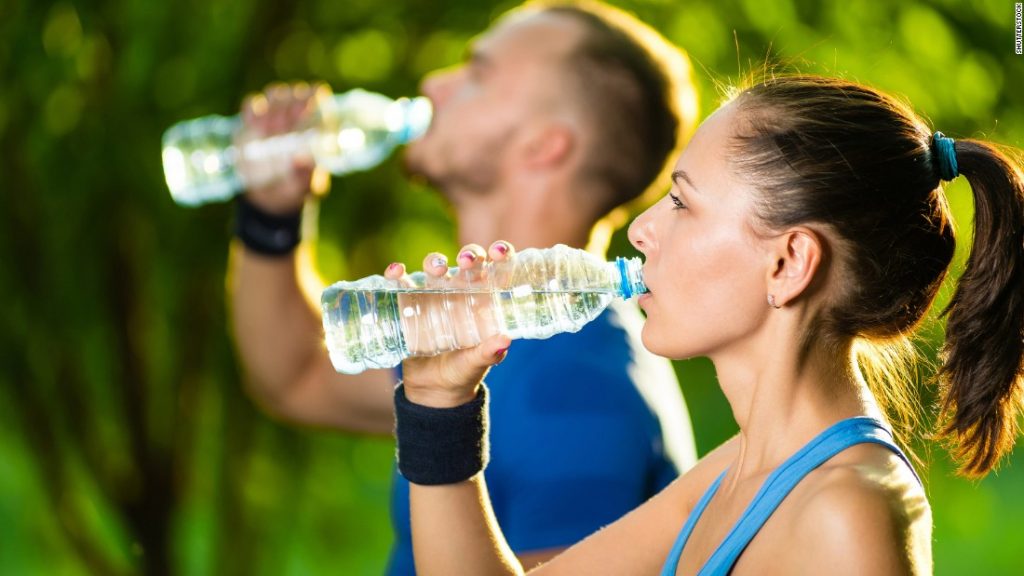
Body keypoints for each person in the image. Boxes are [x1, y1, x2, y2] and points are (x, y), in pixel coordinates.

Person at [390, 74, 1024, 575]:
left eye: (682, 203)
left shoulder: (845, 513)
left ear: (789, 263)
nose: (641, 230)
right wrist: (439, 402)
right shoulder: (743, 468)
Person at [227, 1, 700, 573]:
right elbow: (295, 377)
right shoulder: (490, 332)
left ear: (545, 144)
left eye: (477, 72)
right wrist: (271, 217)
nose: (434, 83)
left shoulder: (576, 389)